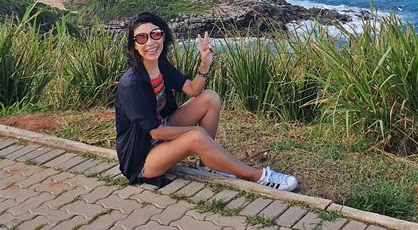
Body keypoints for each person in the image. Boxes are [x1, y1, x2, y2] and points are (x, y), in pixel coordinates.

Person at [114, 11, 297, 190]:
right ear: (134, 45)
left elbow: (193, 90)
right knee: (196, 136)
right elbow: (155, 132)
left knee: (210, 98)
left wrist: (205, 64)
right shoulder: (131, 84)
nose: (151, 42)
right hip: (143, 158)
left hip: (160, 132)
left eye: (155, 34)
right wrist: (194, 130)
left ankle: (206, 164)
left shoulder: (160, 66)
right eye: (142, 38)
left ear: (163, 36)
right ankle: (259, 177)